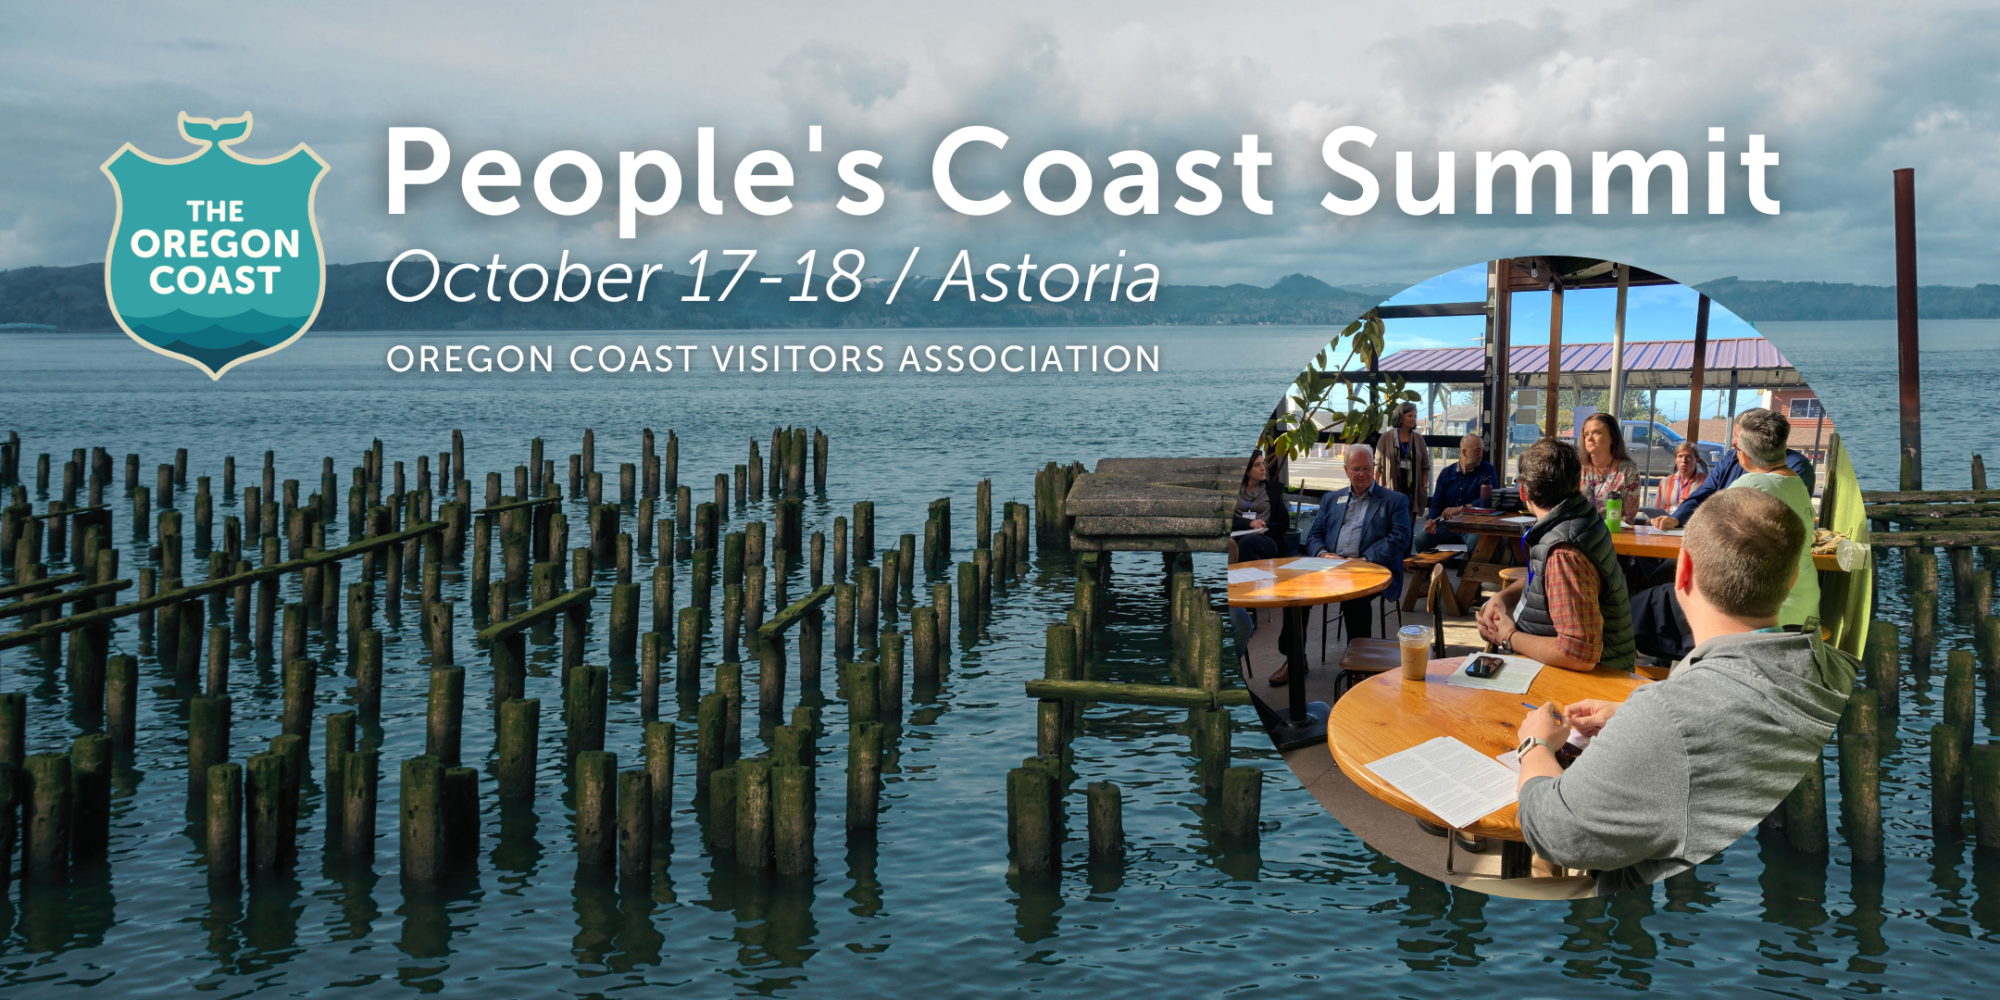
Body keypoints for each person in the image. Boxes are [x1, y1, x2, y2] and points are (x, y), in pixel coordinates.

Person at [1511, 487, 1857, 894]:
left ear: (1683, 570)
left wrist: (1534, 745)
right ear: (1792, 578)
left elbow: (1556, 832)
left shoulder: (1669, 718)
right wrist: (1631, 718)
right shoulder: (1843, 673)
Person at [1475, 438, 1635, 671]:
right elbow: (1546, 579)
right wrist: (1501, 598)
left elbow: (1579, 655)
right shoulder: (1582, 517)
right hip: (1571, 672)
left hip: (1586, 688)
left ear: (1522, 491)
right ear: (1577, 482)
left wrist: (1508, 636)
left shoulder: (1563, 552)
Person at [1275, 444, 1408, 685]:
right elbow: (1314, 535)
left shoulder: (1394, 500)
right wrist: (1325, 555)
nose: (1361, 474)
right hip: (1330, 567)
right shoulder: (1330, 499)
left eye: (1366, 468)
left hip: (1369, 567)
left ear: (1374, 468)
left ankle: (1360, 664)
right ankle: (1295, 658)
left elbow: (1400, 537)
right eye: (1355, 469)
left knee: (1355, 597)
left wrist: (1364, 559)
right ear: (1346, 470)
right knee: (1295, 593)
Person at [1725, 409, 1819, 628]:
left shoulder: (1751, 484)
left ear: (1743, 454)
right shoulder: (1795, 482)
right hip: (1805, 607)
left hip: (1766, 614)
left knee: (1651, 604)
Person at [1655, 435, 1815, 530]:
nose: (1734, 440)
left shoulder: (1795, 466)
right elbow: (1705, 492)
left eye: (1739, 434)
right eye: (1680, 457)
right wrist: (1677, 518)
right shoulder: (1731, 458)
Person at [1414, 432, 1498, 552]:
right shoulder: (1446, 473)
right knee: (1420, 540)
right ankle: (1433, 570)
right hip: (1447, 525)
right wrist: (1431, 520)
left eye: (1482, 451)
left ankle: (1469, 571)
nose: (1481, 455)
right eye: (1477, 451)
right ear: (1464, 452)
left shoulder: (1487, 470)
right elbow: (1437, 503)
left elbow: (1490, 498)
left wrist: (1462, 509)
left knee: (1478, 543)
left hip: (1473, 526)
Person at [1575, 413, 1639, 524]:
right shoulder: (1577, 468)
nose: (1589, 438)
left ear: (1612, 438)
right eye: (1586, 434)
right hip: (1580, 532)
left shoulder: (1628, 469)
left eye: (1596, 432)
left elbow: (1629, 515)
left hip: (1613, 533)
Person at [1374, 401, 1431, 525]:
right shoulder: (1386, 437)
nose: (1413, 419)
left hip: (1412, 492)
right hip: (1391, 490)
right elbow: (1377, 465)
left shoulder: (1418, 438)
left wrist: (1424, 487)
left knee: (1409, 528)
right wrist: (1375, 487)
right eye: (1410, 416)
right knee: (1391, 526)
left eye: (1415, 416)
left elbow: (1425, 466)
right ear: (1400, 416)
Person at [1230, 450, 1283, 563]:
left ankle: (1236, 576)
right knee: (1252, 556)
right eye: (1257, 465)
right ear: (1247, 470)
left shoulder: (1271, 491)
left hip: (1266, 539)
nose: (1263, 468)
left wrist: (1264, 526)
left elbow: (1284, 523)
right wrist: (1248, 523)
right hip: (1237, 537)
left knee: (1247, 541)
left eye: (1263, 464)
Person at [1652, 441, 1703, 512]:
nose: (1684, 460)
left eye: (1689, 457)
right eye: (1680, 456)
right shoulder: (1665, 482)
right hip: (1668, 521)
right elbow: (1658, 510)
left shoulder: (1706, 482)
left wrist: (1689, 506)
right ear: (1676, 460)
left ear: (1696, 460)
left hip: (1692, 521)